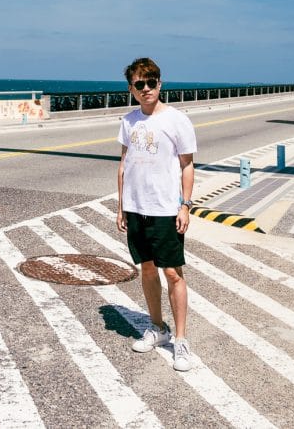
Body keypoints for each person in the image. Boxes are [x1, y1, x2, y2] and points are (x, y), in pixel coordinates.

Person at [116, 57, 197, 372]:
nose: (146, 88)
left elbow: (187, 164)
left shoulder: (176, 120)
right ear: (132, 88)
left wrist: (185, 205)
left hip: (165, 209)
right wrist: (121, 205)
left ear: (159, 84)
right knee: (147, 270)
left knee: (173, 273)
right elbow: (124, 164)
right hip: (137, 208)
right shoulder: (129, 121)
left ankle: (180, 341)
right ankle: (158, 328)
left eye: (151, 82)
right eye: (140, 84)